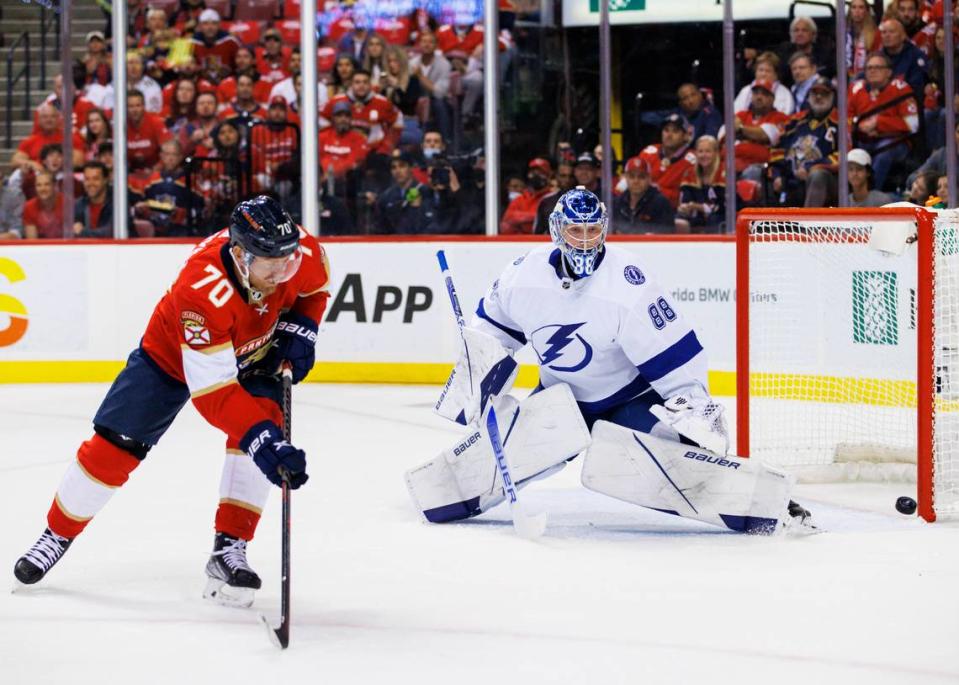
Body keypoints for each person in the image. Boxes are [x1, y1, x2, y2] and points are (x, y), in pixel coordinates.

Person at [411, 186, 813, 534]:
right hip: (559, 400)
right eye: (575, 230)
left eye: (592, 231)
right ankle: (444, 493)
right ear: (557, 230)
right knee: (457, 487)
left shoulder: (628, 285)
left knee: (677, 458)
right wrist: (477, 384)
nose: (585, 240)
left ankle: (766, 503)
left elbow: (676, 362)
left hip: (627, 401)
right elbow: (491, 335)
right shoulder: (522, 277)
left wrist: (696, 436)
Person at [13, 196, 330, 607]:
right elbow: (214, 393)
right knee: (116, 445)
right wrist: (262, 440)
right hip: (171, 359)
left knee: (260, 423)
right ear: (239, 253)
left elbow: (316, 288)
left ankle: (228, 548)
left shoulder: (292, 250)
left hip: (257, 352)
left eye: (288, 260)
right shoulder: (201, 290)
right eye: (272, 263)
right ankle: (56, 534)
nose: (284, 271)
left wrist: (304, 325)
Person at [848, 52, 919, 189]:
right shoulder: (856, 89)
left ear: (888, 72)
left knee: (882, 155)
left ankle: (869, 195)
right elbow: (846, 120)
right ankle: (849, 197)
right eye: (869, 68)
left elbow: (913, 124)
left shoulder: (900, 88)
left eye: (878, 67)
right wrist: (860, 127)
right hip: (863, 139)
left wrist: (879, 124)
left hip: (895, 142)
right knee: (850, 156)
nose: (873, 71)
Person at [769, 76, 841, 207]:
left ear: (833, 97)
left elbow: (844, 156)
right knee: (761, 174)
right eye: (815, 93)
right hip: (791, 180)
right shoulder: (795, 121)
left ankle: (809, 225)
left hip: (825, 182)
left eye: (824, 93)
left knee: (817, 175)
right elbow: (777, 150)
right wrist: (777, 175)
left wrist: (811, 168)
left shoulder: (840, 123)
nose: (818, 97)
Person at [638, 114, 697, 208]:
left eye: (675, 131)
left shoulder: (692, 160)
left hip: (672, 213)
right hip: (643, 209)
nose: (669, 135)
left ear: (685, 136)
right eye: (666, 130)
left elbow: (687, 196)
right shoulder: (648, 152)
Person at [676, 135, 727, 233]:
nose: (703, 155)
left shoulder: (724, 174)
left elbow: (724, 207)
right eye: (700, 151)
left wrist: (699, 207)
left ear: (716, 153)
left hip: (721, 217)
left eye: (708, 151)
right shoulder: (689, 173)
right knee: (679, 219)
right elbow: (685, 200)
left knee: (714, 219)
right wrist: (685, 208)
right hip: (697, 215)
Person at [612, 156, 675, 233]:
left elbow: (667, 233)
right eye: (632, 176)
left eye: (641, 177)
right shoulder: (617, 203)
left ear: (649, 179)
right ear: (625, 178)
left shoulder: (661, 203)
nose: (636, 181)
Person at [374, 150, 427, 234]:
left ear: (411, 168)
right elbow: (381, 228)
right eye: (393, 167)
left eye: (402, 166)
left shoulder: (425, 192)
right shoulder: (385, 197)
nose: (397, 171)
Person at [499, 158, 554, 234]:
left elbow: (550, 223)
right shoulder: (520, 199)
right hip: (520, 242)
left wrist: (520, 219)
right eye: (533, 172)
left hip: (543, 242)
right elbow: (506, 223)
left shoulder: (553, 197)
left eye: (540, 173)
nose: (536, 176)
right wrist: (535, 217)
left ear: (548, 176)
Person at [73, 161, 113, 238]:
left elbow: (110, 232)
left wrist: (83, 232)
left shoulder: (118, 203)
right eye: (87, 179)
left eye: (95, 179)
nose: (90, 183)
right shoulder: (79, 204)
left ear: (105, 180)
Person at [22, 171, 64, 240]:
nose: (42, 189)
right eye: (39, 185)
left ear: (55, 186)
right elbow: (32, 241)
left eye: (47, 184)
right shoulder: (29, 207)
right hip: (40, 249)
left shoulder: (67, 203)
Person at [847, 0, 882, 78]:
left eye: (861, 7)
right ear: (850, 11)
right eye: (854, 7)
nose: (857, 11)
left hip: (868, 76)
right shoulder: (843, 34)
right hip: (846, 76)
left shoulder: (875, 34)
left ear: (866, 11)